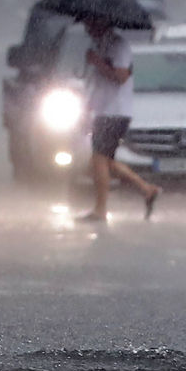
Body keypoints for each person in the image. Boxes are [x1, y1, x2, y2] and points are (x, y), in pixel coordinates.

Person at [78, 17, 162, 223]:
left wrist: (97, 61)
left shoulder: (119, 46)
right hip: (103, 111)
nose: (88, 29)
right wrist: (87, 109)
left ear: (102, 23)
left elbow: (121, 76)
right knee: (106, 162)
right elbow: (98, 84)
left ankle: (100, 210)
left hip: (115, 113)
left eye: (91, 24)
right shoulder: (101, 45)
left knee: (98, 160)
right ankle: (147, 189)